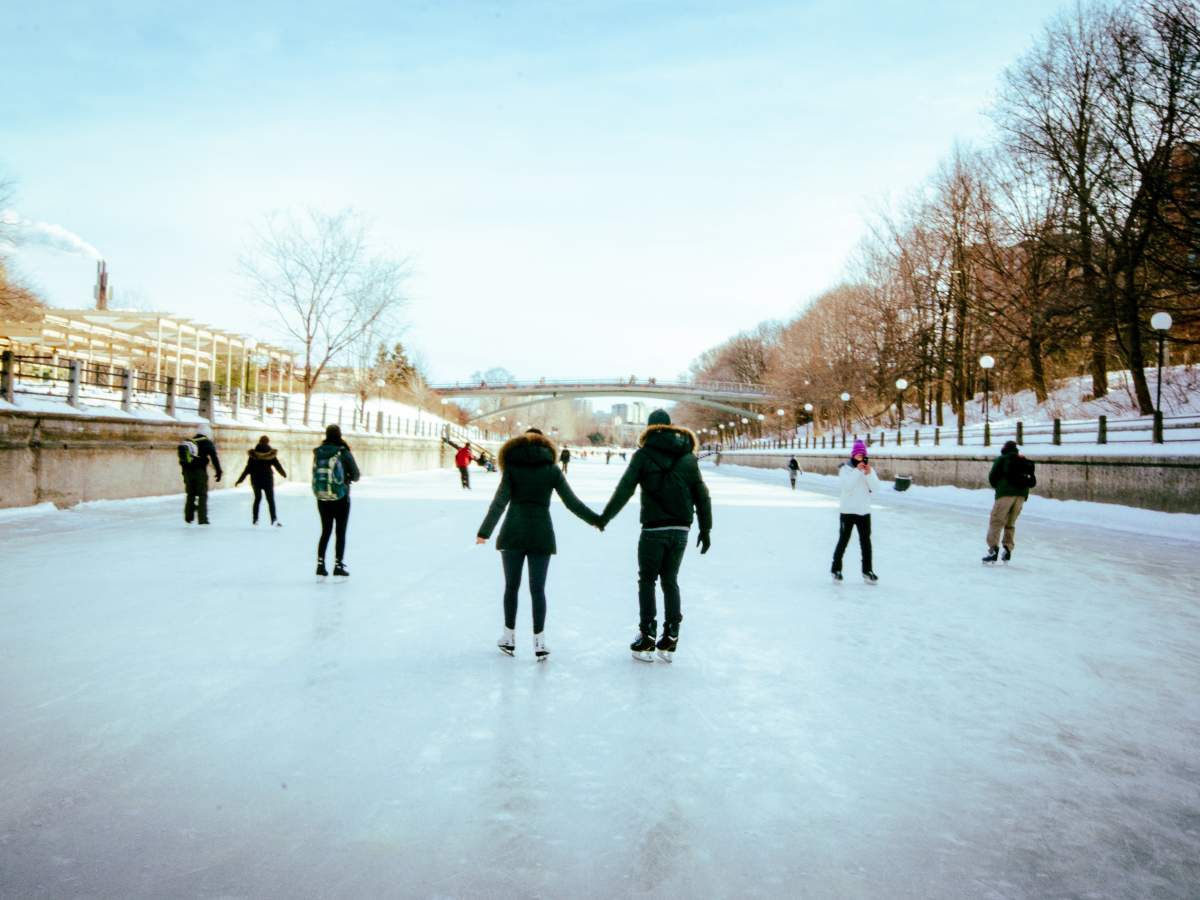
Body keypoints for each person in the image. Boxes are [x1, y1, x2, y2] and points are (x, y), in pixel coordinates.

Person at [477, 428, 602, 661]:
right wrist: (595, 520)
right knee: (538, 590)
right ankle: (539, 642)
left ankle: (509, 638)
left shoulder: (512, 468)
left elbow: (499, 502)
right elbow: (572, 502)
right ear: (545, 446)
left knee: (511, 587)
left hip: (512, 533)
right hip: (541, 534)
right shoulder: (551, 470)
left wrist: (484, 531)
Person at [598, 409, 712, 663]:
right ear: (671, 427)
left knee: (647, 580)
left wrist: (604, 517)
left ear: (648, 429)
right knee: (670, 581)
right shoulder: (688, 457)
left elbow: (624, 490)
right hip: (681, 529)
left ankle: (647, 636)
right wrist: (706, 529)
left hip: (653, 529)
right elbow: (702, 496)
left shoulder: (643, 455)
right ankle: (671, 636)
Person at [312, 424, 360, 578]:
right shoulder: (343, 452)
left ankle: (320, 564)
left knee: (325, 530)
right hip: (341, 497)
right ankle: (338, 565)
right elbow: (356, 475)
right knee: (340, 532)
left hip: (322, 496)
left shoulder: (319, 452)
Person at [831, 439, 880, 584]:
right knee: (843, 541)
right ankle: (836, 569)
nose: (860, 458)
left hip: (864, 512)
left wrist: (869, 474)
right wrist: (857, 471)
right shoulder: (845, 469)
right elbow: (847, 487)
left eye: (862, 455)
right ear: (853, 456)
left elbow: (876, 489)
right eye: (857, 455)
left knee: (866, 543)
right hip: (847, 512)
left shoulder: (868, 470)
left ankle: (867, 570)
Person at [983, 440, 1036, 564]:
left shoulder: (1002, 459)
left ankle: (993, 550)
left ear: (1004, 448)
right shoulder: (1022, 460)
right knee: (1010, 523)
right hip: (1021, 495)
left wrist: (1000, 487)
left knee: (996, 521)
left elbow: (992, 477)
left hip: (1005, 495)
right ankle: (1008, 550)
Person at [234, 435, 287, 526]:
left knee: (257, 498)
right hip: (267, 479)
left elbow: (247, 469)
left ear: (259, 441)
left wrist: (240, 480)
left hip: (255, 479)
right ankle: (273, 519)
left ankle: (255, 519)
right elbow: (277, 465)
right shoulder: (270, 454)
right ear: (267, 442)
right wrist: (283, 473)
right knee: (270, 500)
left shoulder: (253, 454)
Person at [178, 429, 222, 525]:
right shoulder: (207, 443)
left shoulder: (190, 442)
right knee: (202, 495)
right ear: (207, 434)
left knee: (190, 494)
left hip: (187, 472)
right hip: (200, 472)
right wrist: (219, 472)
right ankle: (202, 519)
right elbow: (214, 458)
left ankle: (188, 517)